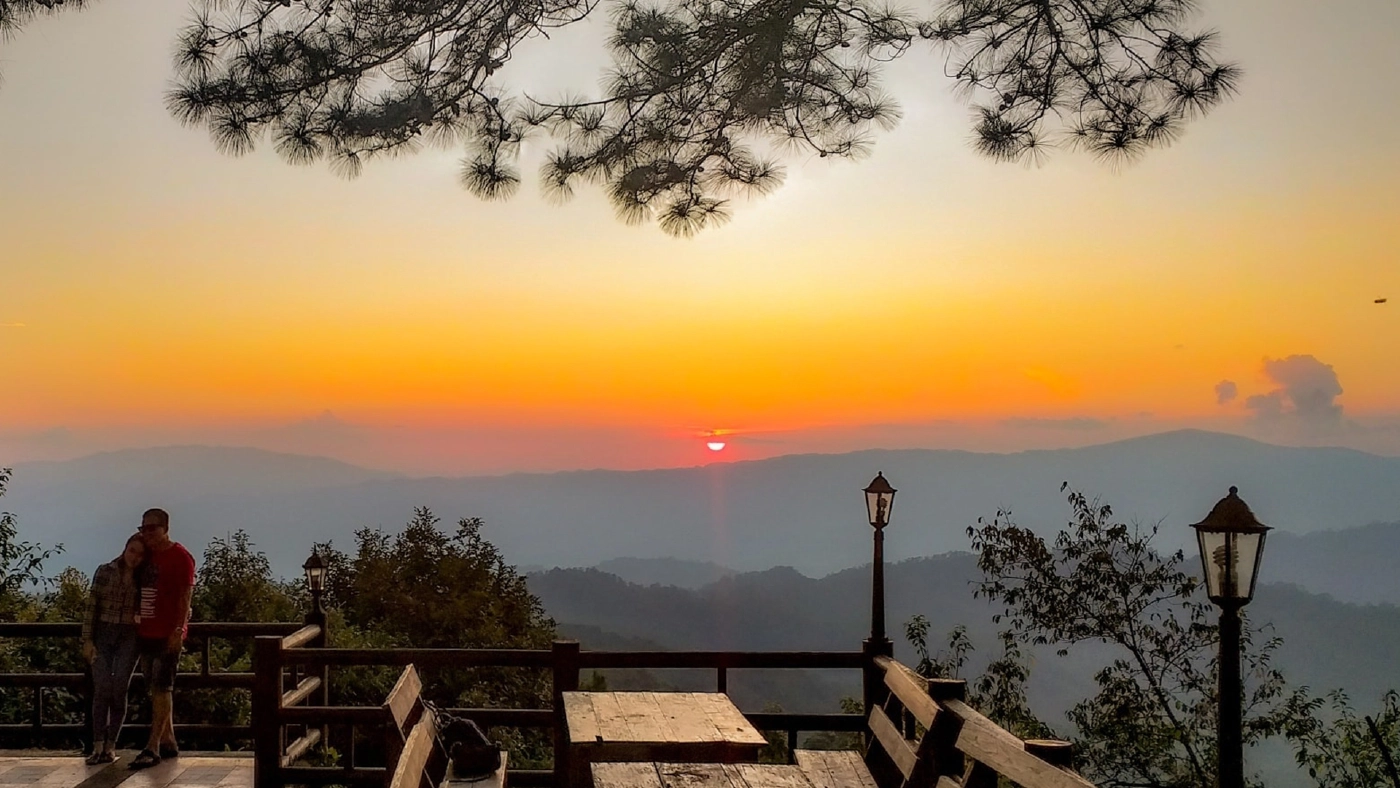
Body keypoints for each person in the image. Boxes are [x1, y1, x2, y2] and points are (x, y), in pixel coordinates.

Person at [128, 508, 196, 771]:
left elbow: (185, 596)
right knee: (154, 688)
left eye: (152, 528)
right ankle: (169, 740)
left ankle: (152, 746)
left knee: (162, 687)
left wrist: (179, 629)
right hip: (145, 631)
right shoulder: (146, 555)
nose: (147, 533)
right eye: (143, 528)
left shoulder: (181, 557)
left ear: (165, 528)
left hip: (168, 632)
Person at [81, 533, 145, 765]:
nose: (135, 558)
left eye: (140, 554)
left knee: (120, 689)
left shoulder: (144, 577)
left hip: (129, 634)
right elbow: (92, 607)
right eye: (132, 551)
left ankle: (111, 745)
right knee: (102, 689)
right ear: (125, 549)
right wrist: (87, 639)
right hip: (103, 633)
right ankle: (97, 744)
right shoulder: (105, 571)